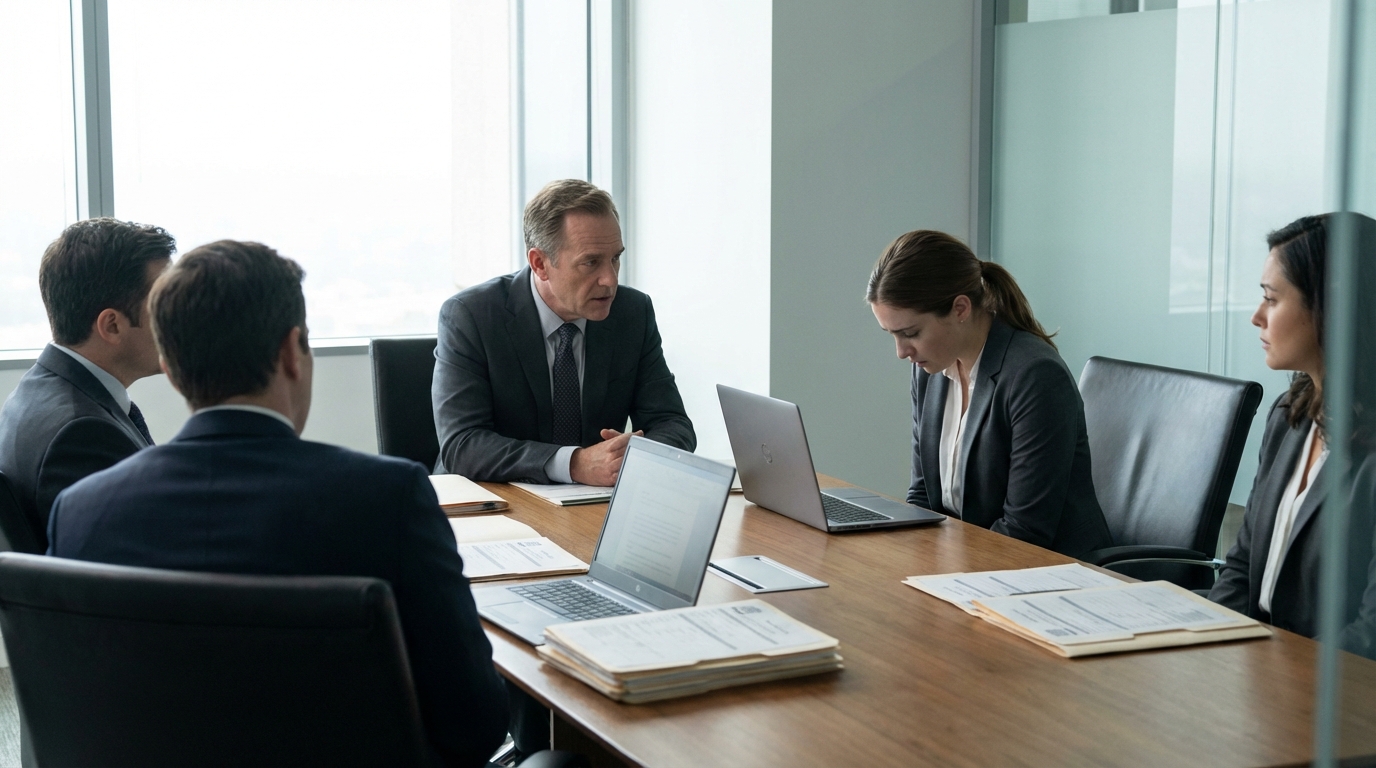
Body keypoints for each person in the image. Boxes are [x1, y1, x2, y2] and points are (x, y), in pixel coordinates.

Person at [46, 241, 509, 768]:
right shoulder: (388, 496)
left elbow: (79, 715)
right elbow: (474, 724)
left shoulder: (80, 511)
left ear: (171, 370)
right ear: (292, 351)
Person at [866, 230, 1112, 558]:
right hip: (969, 562)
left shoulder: (1035, 376)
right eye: (892, 334)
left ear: (960, 309)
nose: (901, 352)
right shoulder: (930, 369)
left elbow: (1024, 532)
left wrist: (944, 567)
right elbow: (923, 496)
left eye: (910, 333)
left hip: (1045, 570)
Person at [433, 179, 695, 487]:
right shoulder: (471, 316)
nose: (610, 279)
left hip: (590, 502)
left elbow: (673, 423)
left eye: (615, 258)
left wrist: (638, 456)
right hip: (492, 501)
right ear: (540, 264)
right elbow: (462, 445)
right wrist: (575, 463)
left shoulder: (632, 312)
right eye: (591, 262)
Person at [1209, 213, 1376, 659]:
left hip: (1330, 689)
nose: (1256, 317)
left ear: (1330, 309)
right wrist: (1205, 644)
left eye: (1271, 299)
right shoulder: (1290, 415)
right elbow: (1242, 566)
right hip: (1258, 668)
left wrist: (1277, 677)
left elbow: (1370, 635)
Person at [0, 218, 173, 549]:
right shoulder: (83, 434)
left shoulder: (35, 391)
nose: (177, 318)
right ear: (112, 326)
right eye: (164, 305)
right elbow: (123, 566)